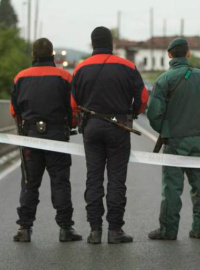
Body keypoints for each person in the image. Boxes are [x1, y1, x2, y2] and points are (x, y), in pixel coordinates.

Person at [71, 26, 148, 244]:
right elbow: (142, 98)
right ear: (111, 43)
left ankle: (95, 231)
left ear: (93, 43)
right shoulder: (128, 66)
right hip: (119, 127)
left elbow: (73, 104)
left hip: (92, 128)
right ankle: (115, 231)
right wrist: (132, 113)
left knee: (93, 179)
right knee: (116, 180)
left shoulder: (80, 68)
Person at [10, 38, 82, 243]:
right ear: (52, 56)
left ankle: (24, 228)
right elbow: (74, 108)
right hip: (57, 137)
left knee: (29, 184)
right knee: (60, 183)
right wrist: (72, 123)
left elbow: (14, 110)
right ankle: (65, 229)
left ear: (33, 56)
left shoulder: (20, 77)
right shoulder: (64, 77)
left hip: (31, 138)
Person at [147, 38, 200, 240]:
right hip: (199, 140)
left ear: (169, 55)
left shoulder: (164, 80)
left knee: (172, 188)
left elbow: (153, 114)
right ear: (188, 54)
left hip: (175, 141)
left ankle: (168, 230)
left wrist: (166, 130)